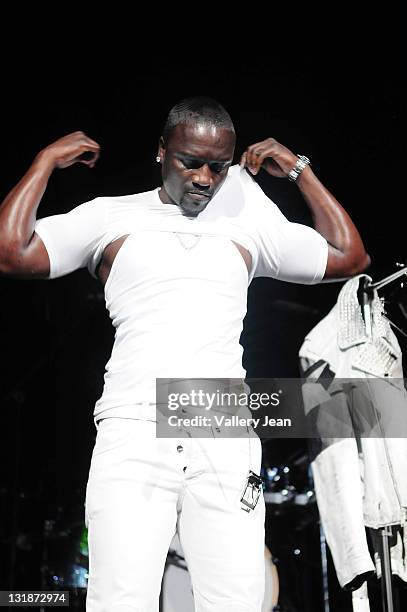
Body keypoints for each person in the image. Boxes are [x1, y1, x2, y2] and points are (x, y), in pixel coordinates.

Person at [0, 97, 370, 612]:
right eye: (189, 162)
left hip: (221, 424)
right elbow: (12, 252)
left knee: (235, 602)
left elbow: (350, 256)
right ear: (161, 152)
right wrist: (43, 162)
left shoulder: (248, 224)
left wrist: (299, 171)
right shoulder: (112, 216)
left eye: (218, 167)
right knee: (120, 600)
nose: (203, 177)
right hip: (135, 420)